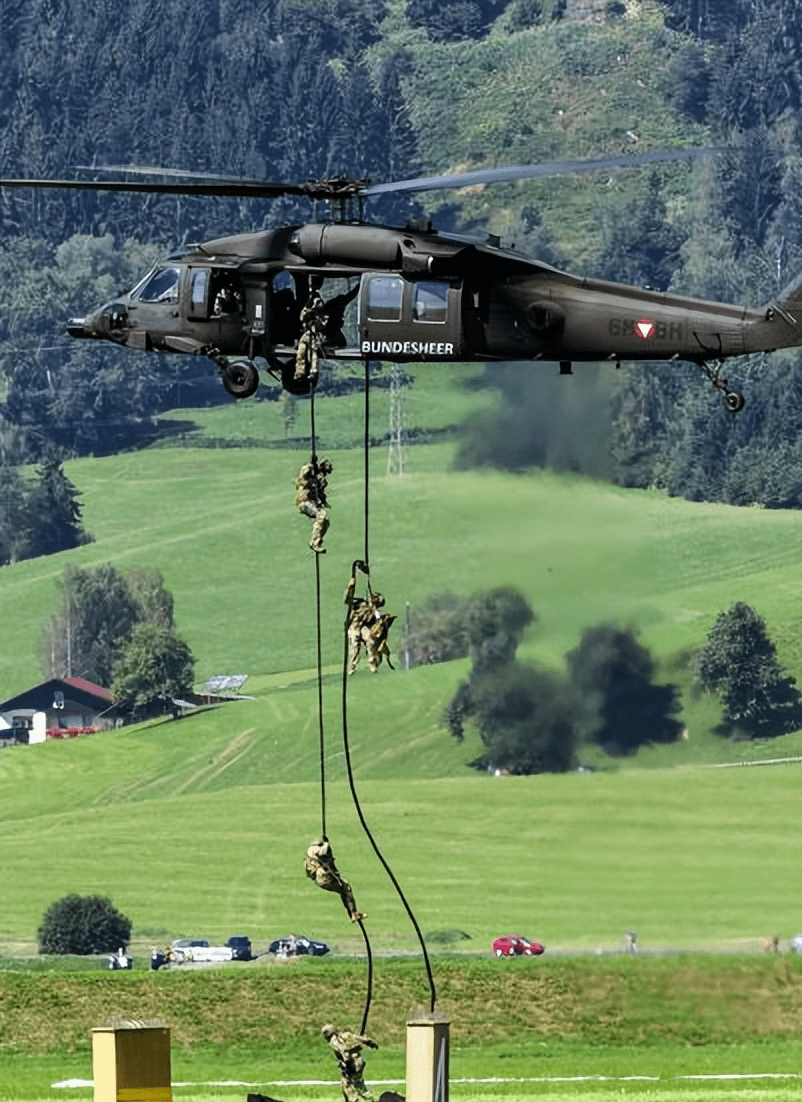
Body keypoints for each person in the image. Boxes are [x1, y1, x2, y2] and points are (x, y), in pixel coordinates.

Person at [344, 564, 395, 673]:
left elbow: (378, 619)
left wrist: (383, 620)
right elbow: (347, 600)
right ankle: (351, 668)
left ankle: (373, 665)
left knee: (370, 640)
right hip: (354, 626)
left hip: (363, 628)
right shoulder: (360, 603)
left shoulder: (374, 611)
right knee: (355, 645)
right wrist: (350, 587)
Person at [304, 838, 366, 923]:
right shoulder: (316, 850)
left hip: (319, 879)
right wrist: (326, 844)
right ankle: (353, 914)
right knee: (345, 889)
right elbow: (322, 852)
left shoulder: (309, 853)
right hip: (324, 878)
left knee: (343, 890)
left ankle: (353, 913)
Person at [321, 1024, 377, 1102]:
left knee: (349, 1085)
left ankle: (359, 1099)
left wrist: (346, 1064)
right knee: (356, 1083)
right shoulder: (345, 1035)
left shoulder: (334, 1041)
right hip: (359, 1061)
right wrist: (370, 1043)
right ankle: (368, 1098)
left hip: (351, 1063)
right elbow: (361, 1039)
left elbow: (342, 1051)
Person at [295, 457, 332, 553]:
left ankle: (318, 540)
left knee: (326, 521)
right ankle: (314, 542)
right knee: (321, 515)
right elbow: (303, 474)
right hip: (304, 501)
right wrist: (312, 466)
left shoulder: (319, 481)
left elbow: (320, 496)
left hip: (311, 503)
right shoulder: (309, 474)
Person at [294, 284, 328, 384]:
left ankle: (313, 372)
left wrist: (316, 320)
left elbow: (323, 324)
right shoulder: (306, 311)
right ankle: (300, 373)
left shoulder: (323, 314)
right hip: (307, 335)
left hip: (315, 335)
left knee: (314, 353)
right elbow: (302, 317)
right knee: (301, 353)